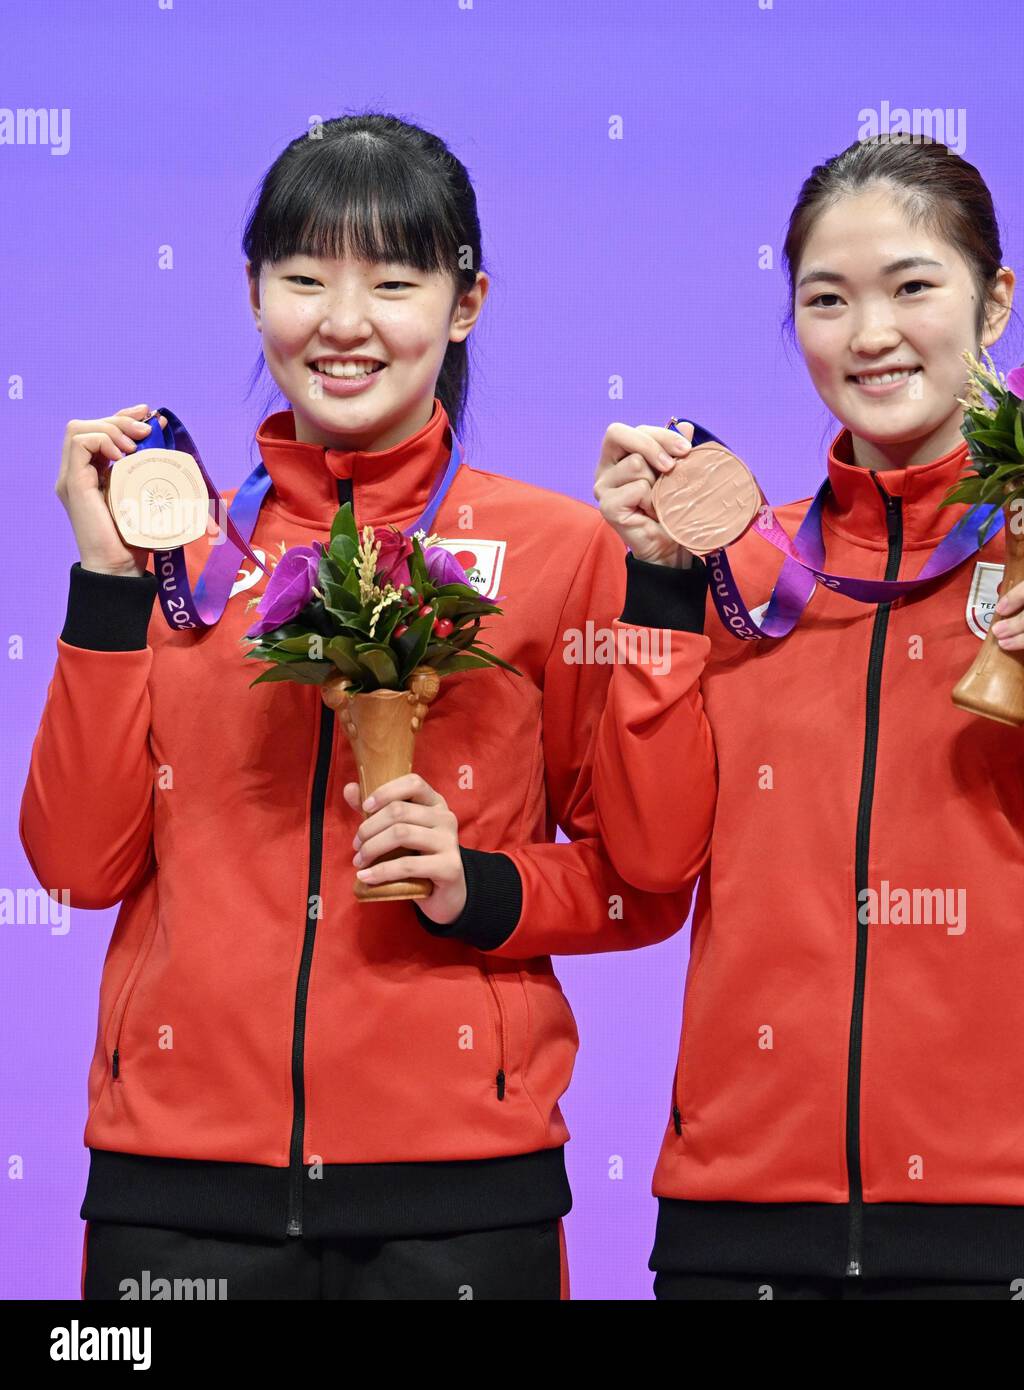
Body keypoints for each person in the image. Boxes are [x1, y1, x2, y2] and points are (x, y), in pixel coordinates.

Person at [20, 113, 692, 1301]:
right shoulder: (182, 550)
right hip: (169, 1196)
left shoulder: (559, 551)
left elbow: (645, 876)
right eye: (301, 278)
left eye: (391, 280)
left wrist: (479, 886)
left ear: (465, 301)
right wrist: (104, 585)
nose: (341, 323)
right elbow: (74, 864)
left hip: (461, 1198)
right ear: (251, 292)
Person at [589, 133, 1024, 1300]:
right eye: (826, 299)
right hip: (739, 1222)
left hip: (1021, 1227)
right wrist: (661, 592)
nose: (869, 334)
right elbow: (649, 854)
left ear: (995, 300)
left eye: (911, 286)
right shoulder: (743, 574)